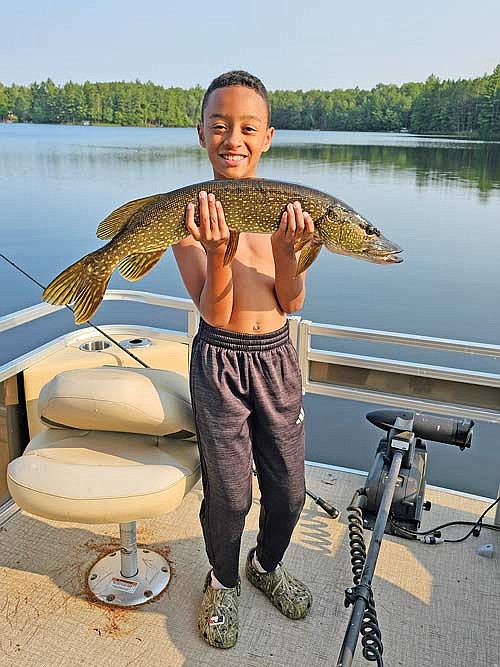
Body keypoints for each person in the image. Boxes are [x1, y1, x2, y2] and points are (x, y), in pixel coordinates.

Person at [172, 70, 314, 649]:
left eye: (247, 128)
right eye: (220, 125)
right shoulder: (189, 220)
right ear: (202, 133)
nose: (234, 138)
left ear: (268, 136)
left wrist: (287, 254)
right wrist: (217, 252)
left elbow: (293, 300)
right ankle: (223, 579)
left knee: (290, 491)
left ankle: (267, 564)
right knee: (230, 494)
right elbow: (216, 312)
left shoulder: (292, 214)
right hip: (220, 362)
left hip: (276, 359)